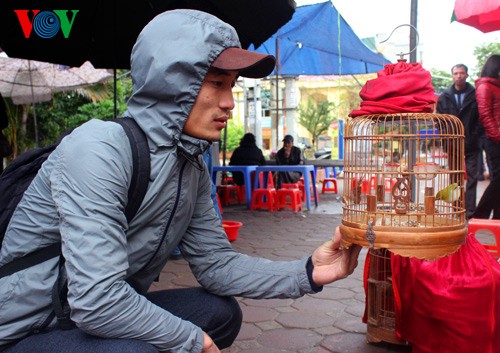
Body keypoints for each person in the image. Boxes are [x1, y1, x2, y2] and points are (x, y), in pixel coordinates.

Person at [0, 9, 361, 353]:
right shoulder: (99, 148)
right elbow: (98, 300)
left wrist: (308, 272)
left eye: (231, 86)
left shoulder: (189, 166)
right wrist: (192, 341)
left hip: (83, 317)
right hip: (28, 328)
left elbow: (217, 265)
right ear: (171, 84)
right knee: (138, 347)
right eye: (217, 83)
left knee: (218, 313)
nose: (229, 103)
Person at [436, 63, 480, 219]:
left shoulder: (475, 94)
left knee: (473, 176)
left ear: (467, 75)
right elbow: (439, 121)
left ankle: (470, 211)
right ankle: (456, 208)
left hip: (473, 143)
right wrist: (445, 139)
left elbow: (480, 119)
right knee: (455, 176)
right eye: (456, 73)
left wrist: (475, 137)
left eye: (462, 73)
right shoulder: (444, 96)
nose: (459, 76)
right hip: (452, 142)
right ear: (452, 75)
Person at [472, 55, 500, 220]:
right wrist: (497, 135)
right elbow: (485, 114)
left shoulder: (496, 86)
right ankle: (479, 215)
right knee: (498, 179)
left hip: (495, 137)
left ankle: (497, 218)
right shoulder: (485, 86)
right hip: (493, 139)